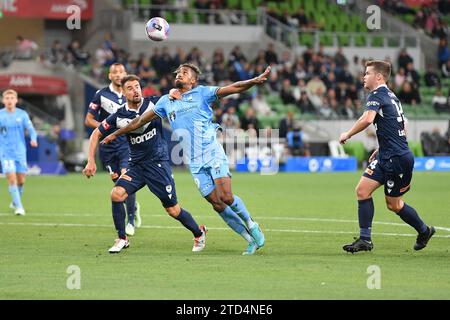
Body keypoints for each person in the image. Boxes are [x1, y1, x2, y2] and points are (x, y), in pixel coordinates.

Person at [102, 64, 270, 255]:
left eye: (185, 73)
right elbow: (139, 121)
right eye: (178, 72)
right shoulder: (166, 101)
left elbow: (234, 88)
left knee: (226, 196)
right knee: (216, 203)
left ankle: (251, 224)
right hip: (194, 161)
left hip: (212, 152)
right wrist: (116, 134)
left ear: (193, 80)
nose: (180, 74)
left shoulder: (203, 93)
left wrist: (253, 81)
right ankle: (250, 240)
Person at [83, 75, 207, 254]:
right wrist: (91, 160)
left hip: (158, 164)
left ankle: (198, 232)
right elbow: (96, 133)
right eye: (131, 88)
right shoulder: (119, 116)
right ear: (123, 92)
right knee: (117, 194)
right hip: (137, 166)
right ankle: (122, 238)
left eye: (137, 87)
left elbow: (171, 95)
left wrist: (173, 92)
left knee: (172, 210)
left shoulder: (154, 103)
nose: (136, 90)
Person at [339, 60, 435, 253]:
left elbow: (367, 119)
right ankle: (365, 240)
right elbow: (397, 126)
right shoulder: (391, 96)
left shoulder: (378, 95)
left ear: (379, 77)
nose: (364, 77)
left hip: (398, 159)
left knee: (394, 204)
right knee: (362, 191)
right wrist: (381, 147)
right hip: (386, 154)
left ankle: (424, 231)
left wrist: (347, 134)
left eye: (367, 73)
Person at [84, 63, 141, 236]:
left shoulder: (129, 94)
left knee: (126, 176)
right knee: (118, 182)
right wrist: (105, 127)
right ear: (109, 76)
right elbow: (89, 120)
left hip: (126, 143)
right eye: (115, 72)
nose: (118, 74)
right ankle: (134, 206)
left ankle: (130, 221)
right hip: (107, 146)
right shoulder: (101, 95)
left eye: (121, 71)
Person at [0, 89, 38, 215]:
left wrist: (33, 139)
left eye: (12, 98)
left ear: (16, 100)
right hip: (5, 152)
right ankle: (19, 208)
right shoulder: (0, 115)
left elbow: (31, 129)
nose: (9, 101)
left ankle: (15, 201)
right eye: (7, 98)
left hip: (20, 152)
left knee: (21, 180)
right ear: (3, 100)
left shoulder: (22, 115)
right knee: (11, 179)